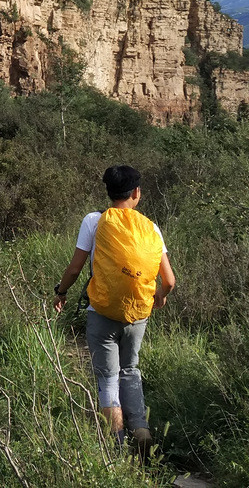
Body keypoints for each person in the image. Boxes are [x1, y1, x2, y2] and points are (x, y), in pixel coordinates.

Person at [52, 164, 176, 451]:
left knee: (108, 378)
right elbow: (169, 280)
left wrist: (61, 293)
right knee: (130, 370)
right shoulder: (151, 228)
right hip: (138, 315)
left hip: (102, 311)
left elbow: (74, 269)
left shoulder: (94, 221)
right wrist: (159, 296)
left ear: (109, 191)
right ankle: (142, 431)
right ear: (136, 192)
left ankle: (117, 446)